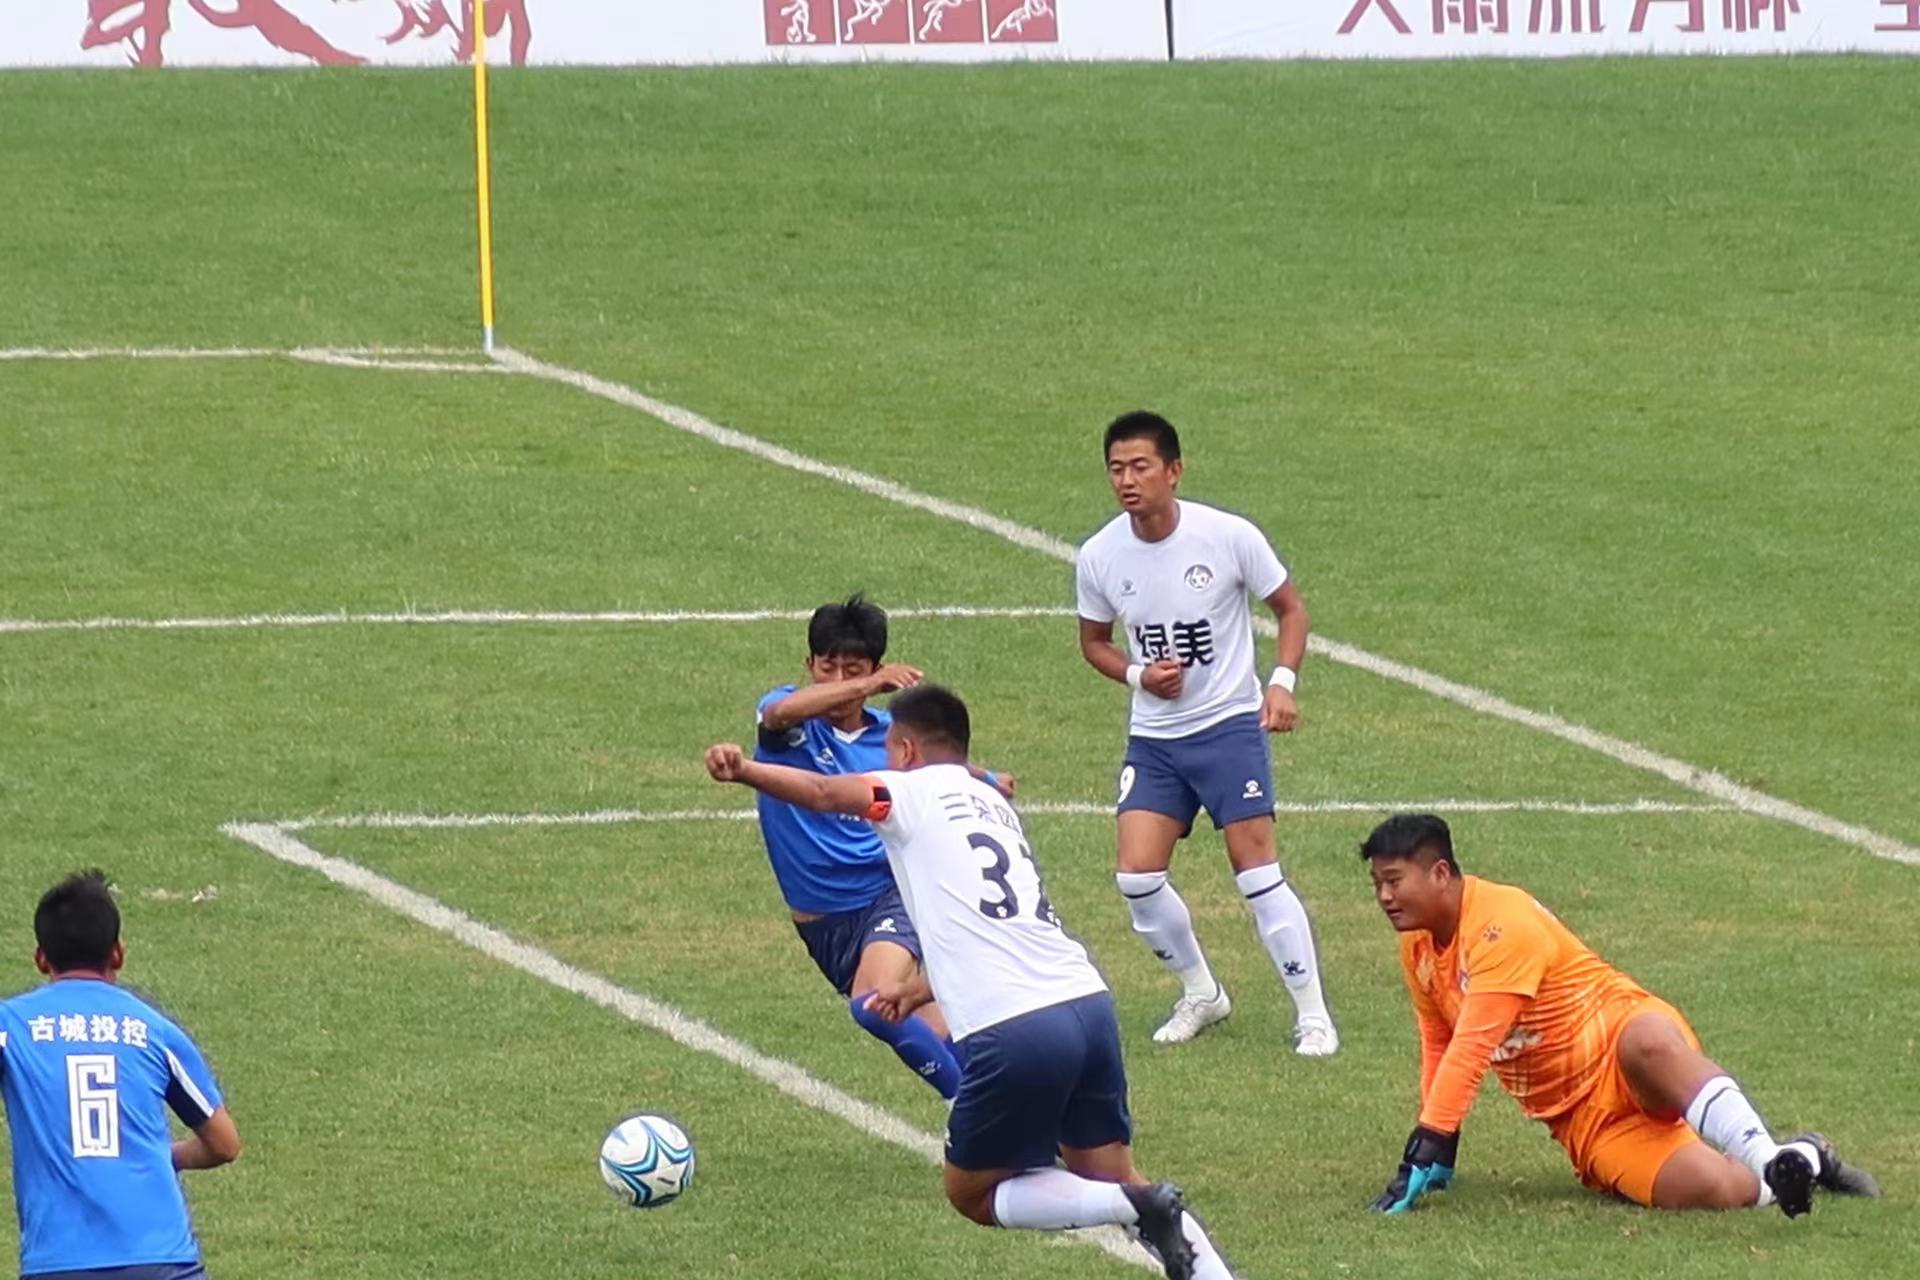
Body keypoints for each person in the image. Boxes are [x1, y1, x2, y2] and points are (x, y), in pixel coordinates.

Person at [707, 684, 1240, 1280]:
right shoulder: (992, 803)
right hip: (1085, 1002)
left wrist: (747, 771)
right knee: (1115, 1168)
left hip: (1015, 1027)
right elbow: (990, 919)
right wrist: (919, 989)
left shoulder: (906, 792)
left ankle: (1131, 1205)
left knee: (974, 1195)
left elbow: (829, 793)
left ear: (905, 749)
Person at [1360, 814, 1880, 1216]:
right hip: (1584, 1121)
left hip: (1618, 1039)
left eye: (1393, 881)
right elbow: (1439, 1041)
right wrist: (1444, 1145)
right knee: (1705, 1189)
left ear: (1441, 873)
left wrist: (1422, 1148)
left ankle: (1766, 1153)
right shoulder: (1419, 949)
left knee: (1649, 1043)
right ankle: (1805, 1159)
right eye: (1376, 884)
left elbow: (1472, 1048)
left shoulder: (1500, 924)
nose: (1384, 896)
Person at [1074, 410, 1336, 1053]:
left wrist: (1282, 683)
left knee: (1257, 873)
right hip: (1155, 741)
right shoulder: (1101, 554)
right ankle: (1202, 993)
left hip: (1227, 729)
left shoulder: (1227, 536)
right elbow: (1093, 643)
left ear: (1174, 470)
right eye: (1116, 469)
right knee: (1136, 877)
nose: (1127, 481)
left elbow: (1291, 609)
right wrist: (1139, 675)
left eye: (1140, 467)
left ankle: (1312, 1014)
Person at [754, 594, 1014, 1100]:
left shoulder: (890, 739)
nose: (838, 680)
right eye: (827, 667)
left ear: (874, 665)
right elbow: (780, 712)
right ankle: (1030, 1117)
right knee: (931, 1024)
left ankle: (981, 1124)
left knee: (875, 1001)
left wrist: (987, 778)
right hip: (825, 924)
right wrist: (869, 684)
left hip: (889, 895)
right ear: (809, 665)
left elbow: (941, 770)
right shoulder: (789, 725)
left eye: (854, 668)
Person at [0, 870, 242, 1280]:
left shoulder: (11, 1026)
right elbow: (224, 1144)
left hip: (60, 1265)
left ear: (41, 958)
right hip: (164, 1261)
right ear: (118, 954)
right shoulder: (153, 1029)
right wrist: (158, 1156)